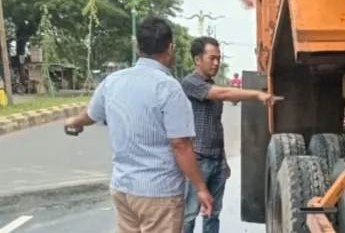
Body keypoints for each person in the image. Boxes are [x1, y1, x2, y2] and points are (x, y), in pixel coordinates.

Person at [63, 16, 213, 233]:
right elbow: (180, 144)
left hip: (123, 189)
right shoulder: (168, 88)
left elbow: (91, 114)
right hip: (158, 194)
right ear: (170, 49)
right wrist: (200, 187)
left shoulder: (113, 81)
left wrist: (73, 121)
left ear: (137, 46)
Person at [181, 36, 283, 233]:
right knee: (189, 216)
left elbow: (216, 126)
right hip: (198, 159)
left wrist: (223, 159)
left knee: (213, 213)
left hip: (216, 160)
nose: (217, 63)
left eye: (218, 58)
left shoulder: (211, 84)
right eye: (212, 58)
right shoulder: (191, 83)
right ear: (197, 60)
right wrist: (256, 94)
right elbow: (223, 94)